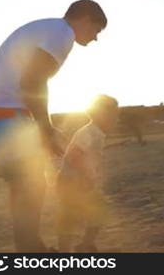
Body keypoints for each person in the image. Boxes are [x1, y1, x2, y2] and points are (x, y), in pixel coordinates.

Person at [0, 0, 107, 252]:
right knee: (31, 184)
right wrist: (47, 130)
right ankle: (31, 251)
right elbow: (33, 82)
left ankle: (31, 248)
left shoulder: (48, 28)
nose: (96, 38)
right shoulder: (62, 32)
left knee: (24, 185)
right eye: (97, 30)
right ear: (86, 19)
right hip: (6, 112)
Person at [56, 95, 119, 252]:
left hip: (78, 180)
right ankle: (68, 249)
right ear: (101, 115)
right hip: (71, 181)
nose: (116, 119)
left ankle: (85, 244)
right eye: (113, 115)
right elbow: (72, 156)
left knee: (96, 209)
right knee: (71, 215)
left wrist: (92, 174)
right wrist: (86, 176)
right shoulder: (89, 132)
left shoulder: (96, 132)